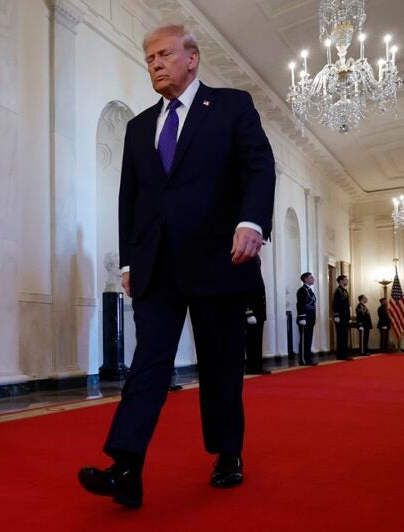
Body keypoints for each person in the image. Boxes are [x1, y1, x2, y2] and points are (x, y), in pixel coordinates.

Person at [78, 24, 276, 509]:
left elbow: (259, 167)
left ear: (193, 58)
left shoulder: (231, 106)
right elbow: (130, 198)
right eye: (149, 58)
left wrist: (251, 222)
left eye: (164, 54)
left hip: (219, 260)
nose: (156, 64)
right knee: (148, 363)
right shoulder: (139, 126)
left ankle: (228, 452)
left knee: (220, 364)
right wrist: (127, 261)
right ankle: (126, 466)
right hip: (157, 267)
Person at [245, 289, 270, 375]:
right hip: (253, 314)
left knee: (257, 342)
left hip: (259, 314)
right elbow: (245, 294)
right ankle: (251, 367)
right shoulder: (249, 276)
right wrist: (249, 313)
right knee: (252, 342)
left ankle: (257, 366)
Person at [296, 272, 318, 366]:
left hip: (310, 318)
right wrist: (302, 317)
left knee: (308, 339)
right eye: (311, 277)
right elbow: (300, 304)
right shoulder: (302, 290)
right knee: (304, 339)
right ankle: (303, 359)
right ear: (305, 279)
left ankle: (308, 358)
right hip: (304, 318)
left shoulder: (309, 290)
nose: (313, 279)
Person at [332, 275, 353, 360]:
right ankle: (340, 355)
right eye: (345, 279)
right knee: (340, 336)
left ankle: (344, 354)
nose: (347, 280)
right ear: (340, 281)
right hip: (340, 316)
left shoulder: (344, 291)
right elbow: (335, 303)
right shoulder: (338, 291)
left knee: (344, 336)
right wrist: (336, 315)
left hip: (345, 316)